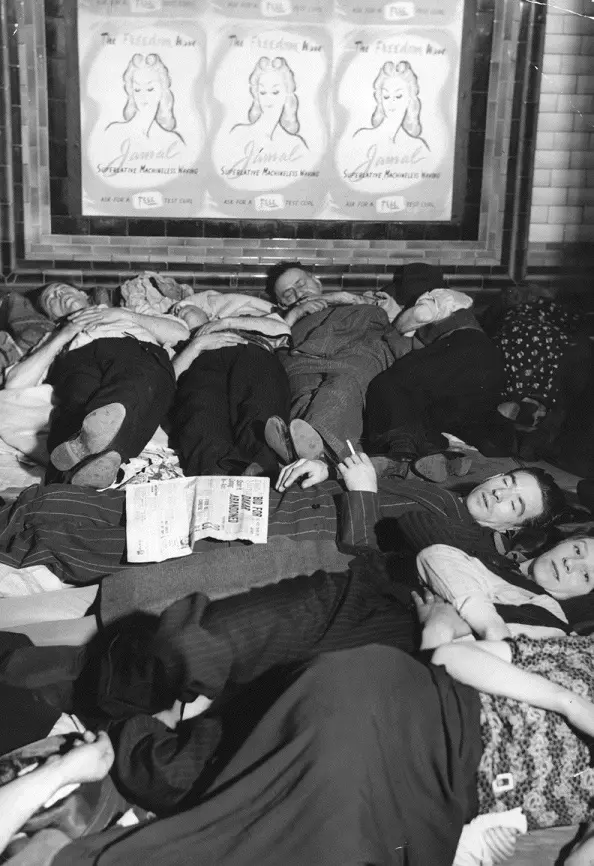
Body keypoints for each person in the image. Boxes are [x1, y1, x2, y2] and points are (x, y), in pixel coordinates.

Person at [42, 611, 594, 866]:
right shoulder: (582, 661)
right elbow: (452, 655)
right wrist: (570, 702)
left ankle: (113, 735)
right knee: (323, 799)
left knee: (203, 783)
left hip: (442, 799)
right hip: (418, 706)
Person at [0, 453, 564, 587]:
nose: (499, 494)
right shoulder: (439, 493)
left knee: (117, 543)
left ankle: (17, 530)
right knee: (126, 509)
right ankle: (18, 507)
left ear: (513, 529)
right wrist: (330, 472)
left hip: (290, 543)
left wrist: (362, 492)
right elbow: (369, 487)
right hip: (276, 504)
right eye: (507, 482)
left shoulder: (464, 548)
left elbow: (372, 565)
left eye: (515, 504)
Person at [4, 283, 187, 488]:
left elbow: (181, 334)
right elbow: (15, 384)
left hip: (133, 348)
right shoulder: (54, 334)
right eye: (51, 299)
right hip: (76, 361)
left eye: (64, 289)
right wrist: (64, 334)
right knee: (75, 407)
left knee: (134, 385)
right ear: (51, 315)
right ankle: (96, 462)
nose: (60, 295)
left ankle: (79, 472)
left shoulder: (131, 311)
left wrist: (124, 315)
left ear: (83, 294)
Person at [364, 269, 513, 481]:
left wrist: (393, 328)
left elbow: (420, 315)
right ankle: (446, 454)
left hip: (464, 347)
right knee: (438, 412)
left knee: (387, 385)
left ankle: (401, 451)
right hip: (486, 365)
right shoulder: (451, 309)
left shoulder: (439, 296)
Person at [265, 259, 406, 461]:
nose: (298, 294)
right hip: (301, 363)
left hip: (354, 351)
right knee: (305, 402)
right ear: (281, 303)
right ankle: (321, 458)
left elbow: (388, 321)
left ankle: (307, 456)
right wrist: (295, 313)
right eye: (288, 294)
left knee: (343, 386)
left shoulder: (357, 300)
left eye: (301, 284)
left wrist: (337, 298)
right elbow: (269, 343)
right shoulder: (280, 318)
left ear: (317, 282)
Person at [168, 291, 291, 476]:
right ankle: (214, 474)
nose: (181, 311)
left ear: (207, 313)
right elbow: (169, 381)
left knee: (260, 402)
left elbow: (281, 328)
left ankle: (262, 465)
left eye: (188, 307)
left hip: (249, 350)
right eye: (176, 314)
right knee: (199, 412)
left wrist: (224, 323)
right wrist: (196, 345)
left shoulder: (245, 320)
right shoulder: (179, 343)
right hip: (200, 363)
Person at [417, 533, 594, 641]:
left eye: (585, 575)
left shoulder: (555, 622)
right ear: (565, 542)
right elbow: (436, 551)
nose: (570, 563)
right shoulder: (500, 562)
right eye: (578, 550)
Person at [104, 53, 185, 156]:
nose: (143, 95)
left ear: (162, 90)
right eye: (137, 89)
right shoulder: (114, 133)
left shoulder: (174, 142)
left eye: (150, 89)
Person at [228, 56, 308, 156]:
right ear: (256, 95)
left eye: (275, 92)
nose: (268, 98)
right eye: (262, 92)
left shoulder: (296, 145)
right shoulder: (238, 134)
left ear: (287, 94)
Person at [353, 60, 430, 157]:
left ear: (410, 100)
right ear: (380, 99)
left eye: (398, 96)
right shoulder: (362, 138)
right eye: (386, 96)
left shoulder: (418, 147)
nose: (391, 102)